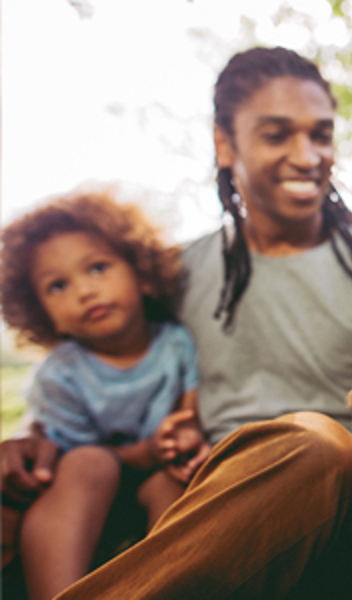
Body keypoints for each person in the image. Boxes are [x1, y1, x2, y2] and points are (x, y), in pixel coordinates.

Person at [4, 46, 352, 599]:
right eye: (278, 135)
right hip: (207, 499)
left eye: (320, 135)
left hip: (339, 496)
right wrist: (28, 438)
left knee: (317, 443)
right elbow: (101, 360)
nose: (307, 155)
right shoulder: (178, 274)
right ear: (224, 145)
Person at [0, 190, 209, 599]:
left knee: (172, 485)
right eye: (58, 285)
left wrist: (181, 437)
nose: (84, 291)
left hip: (157, 476)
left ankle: (163, 588)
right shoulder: (61, 374)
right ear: (40, 311)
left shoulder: (175, 343)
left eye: (97, 268)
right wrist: (146, 450)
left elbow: (190, 412)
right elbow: (61, 464)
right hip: (86, 492)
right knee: (88, 462)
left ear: (142, 274)